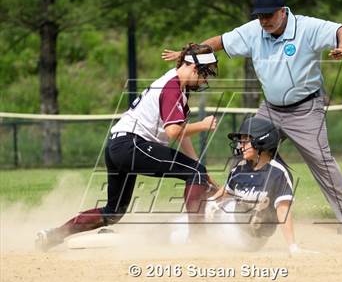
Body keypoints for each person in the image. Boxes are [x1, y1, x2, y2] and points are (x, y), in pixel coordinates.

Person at [162, 0, 342, 233]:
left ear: (282, 11)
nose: (264, 21)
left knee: (321, 162)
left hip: (306, 109)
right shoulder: (254, 30)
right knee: (245, 151)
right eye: (260, 17)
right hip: (271, 109)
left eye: (268, 16)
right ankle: (235, 212)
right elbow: (221, 42)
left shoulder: (307, 27)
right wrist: (190, 55)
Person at [35, 43, 219, 251]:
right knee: (194, 173)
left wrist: (199, 170)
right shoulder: (172, 87)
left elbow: (181, 133)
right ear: (194, 67)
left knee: (113, 212)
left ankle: (54, 235)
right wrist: (203, 126)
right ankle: (199, 241)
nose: (205, 80)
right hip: (132, 144)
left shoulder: (175, 85)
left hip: (117, 145)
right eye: (205, 74)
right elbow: (173, 132)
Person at [204, 117, 311, 255]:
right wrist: (212, 200)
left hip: (251, 237)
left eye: (245, 141)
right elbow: (228, 190)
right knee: (210, 206)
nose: (240, 146)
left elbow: (283, 211)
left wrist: (292, 246)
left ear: (261, 141)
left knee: (181, 233)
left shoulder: (277, 172)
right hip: (235, 230)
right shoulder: (240, 168)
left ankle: (190, 237)